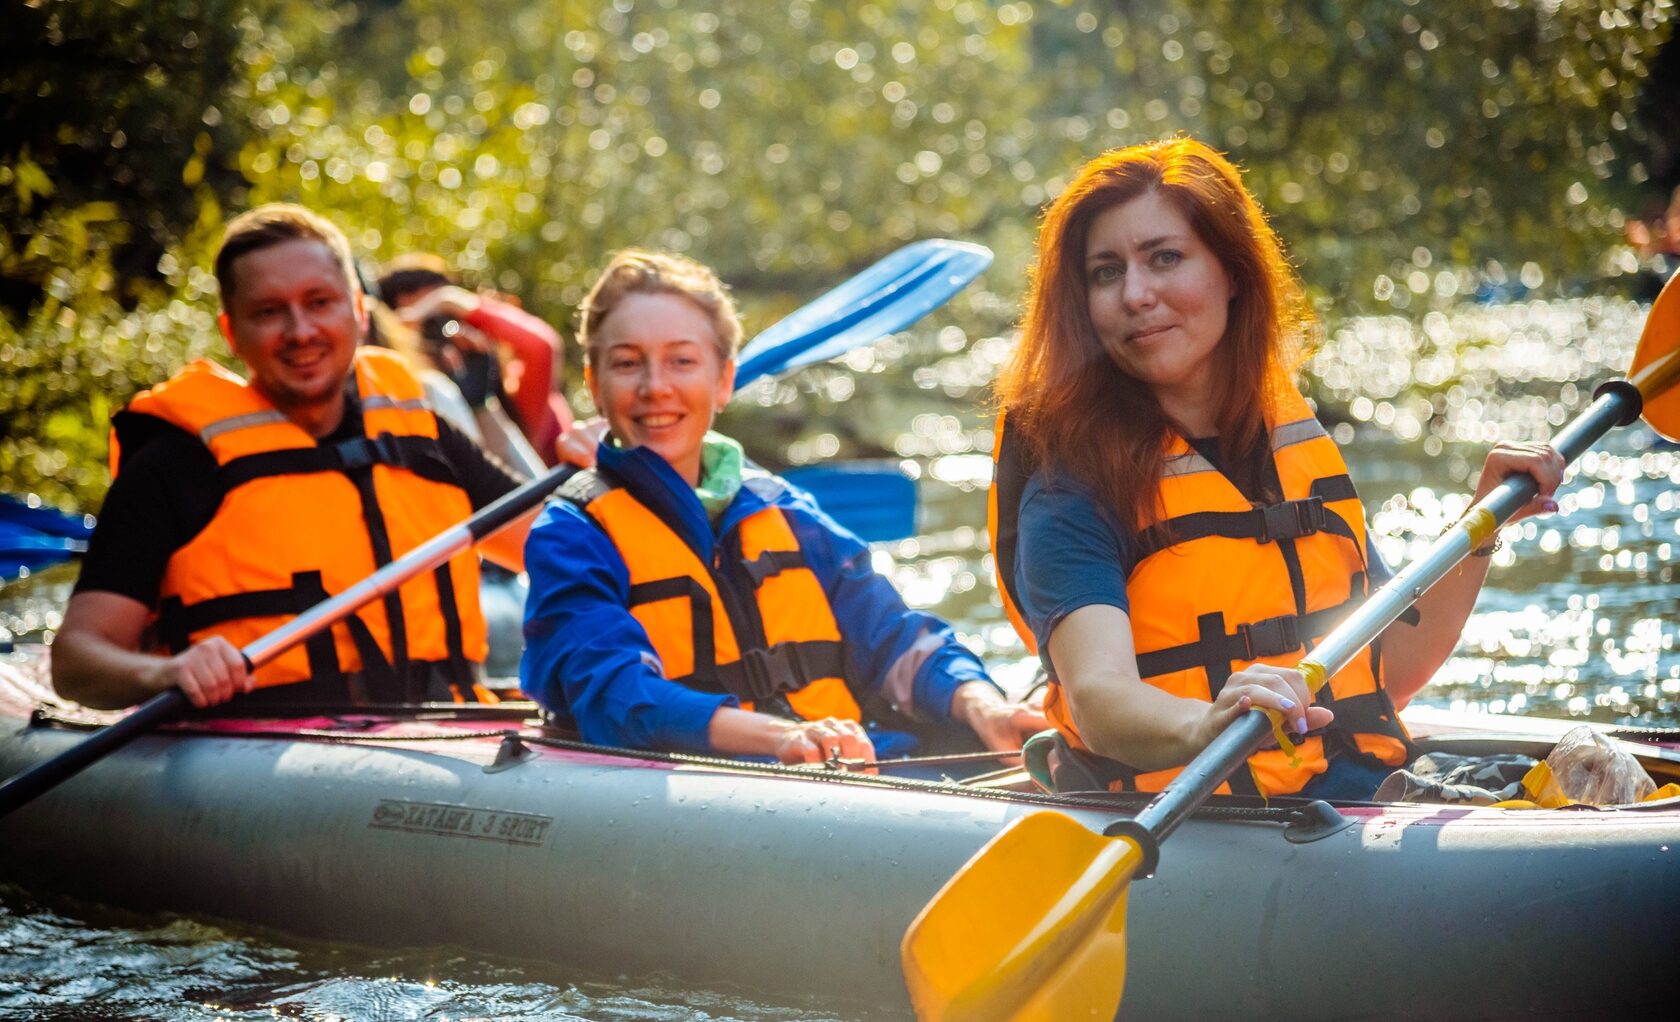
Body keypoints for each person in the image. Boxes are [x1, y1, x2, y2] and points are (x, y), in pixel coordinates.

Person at [990, 138, 1565, 799]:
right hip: (1190, 812)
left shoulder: (1289, 446)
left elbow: (1389, 672)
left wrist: (1481, 525)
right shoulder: (1070, 488)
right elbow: (1098, 696)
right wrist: (1208, 722)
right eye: (1105, 272)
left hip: (1347, 791)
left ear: (1231, 271)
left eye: (1164, 258)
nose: (1137, 294)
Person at [521, 249, 1046, 765]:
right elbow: (618, 695)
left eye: (682, 361)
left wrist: (984, 706)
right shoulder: (571, 532)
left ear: (723, 380)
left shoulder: (784, 508)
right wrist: (780, 737)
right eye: (627, 363)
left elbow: (893, 636)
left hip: (856, 765)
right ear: (594, 384)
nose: (656, 387)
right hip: (718, 784)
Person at [52, 204, 534, 711]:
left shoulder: (421, 435)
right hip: (258, 760)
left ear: (360, 313)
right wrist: (168, 671)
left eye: (319, 302)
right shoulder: (177, 462)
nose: (300, 331)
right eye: (268, 311)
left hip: (446, 738)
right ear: (231, 332)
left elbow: (557, 544)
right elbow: (77, 661)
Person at [378, 254, 573, 464]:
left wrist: (449, 299)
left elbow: (541, 346)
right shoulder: (410, 411)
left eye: (449, 320)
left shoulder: (510, 391)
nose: (447, 339)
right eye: (428, 332)